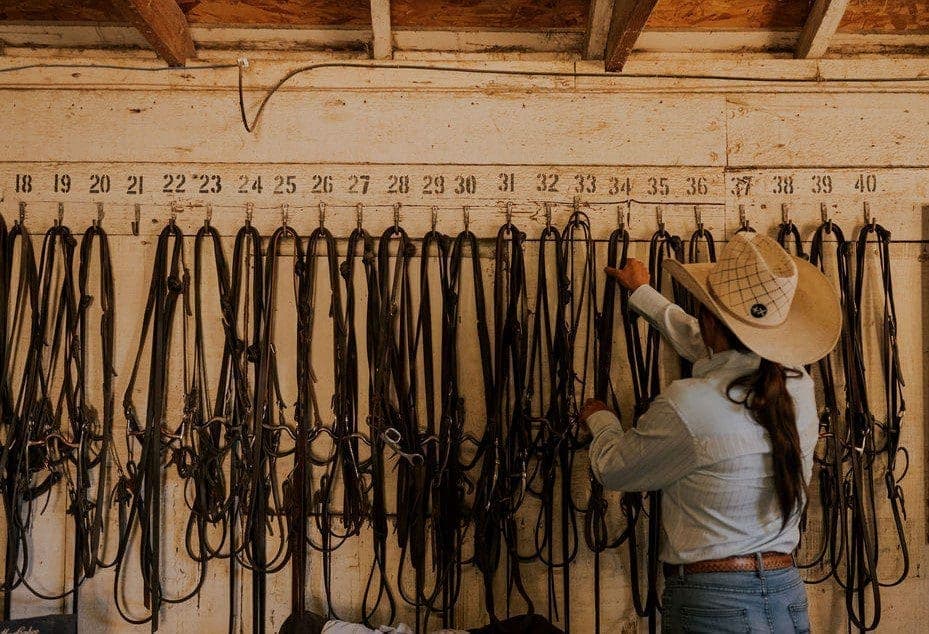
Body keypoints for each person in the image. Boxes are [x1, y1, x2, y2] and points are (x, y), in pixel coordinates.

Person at [581, 231, 841, 633]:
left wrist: (600, 420)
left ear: (708, 320)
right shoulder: (797, 386)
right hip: (786, 593)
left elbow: (614, 468)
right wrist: (644, 294)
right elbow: (718, 352)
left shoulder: (688, 405)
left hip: (713, 602)